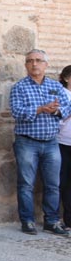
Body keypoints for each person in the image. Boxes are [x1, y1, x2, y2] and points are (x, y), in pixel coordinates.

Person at [8, 49, 71, 235]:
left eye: (38, 60)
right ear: (26, 65)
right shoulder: (19, 87)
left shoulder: (55, 86)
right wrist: (40, 109)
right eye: (30, 61)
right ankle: (27, 221)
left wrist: (55, 111)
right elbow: (17, 112)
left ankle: (51, 221)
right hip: (27, 142)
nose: (34, 64)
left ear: (46, 64)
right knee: (26, 184)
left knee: (53, 184)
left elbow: (67, 108)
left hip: (51, 142)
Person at [60, 65, 71, 229]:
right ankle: (68, 219)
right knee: (65, 182)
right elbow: (58, 118)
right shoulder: (62, 94)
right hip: (64, 142)